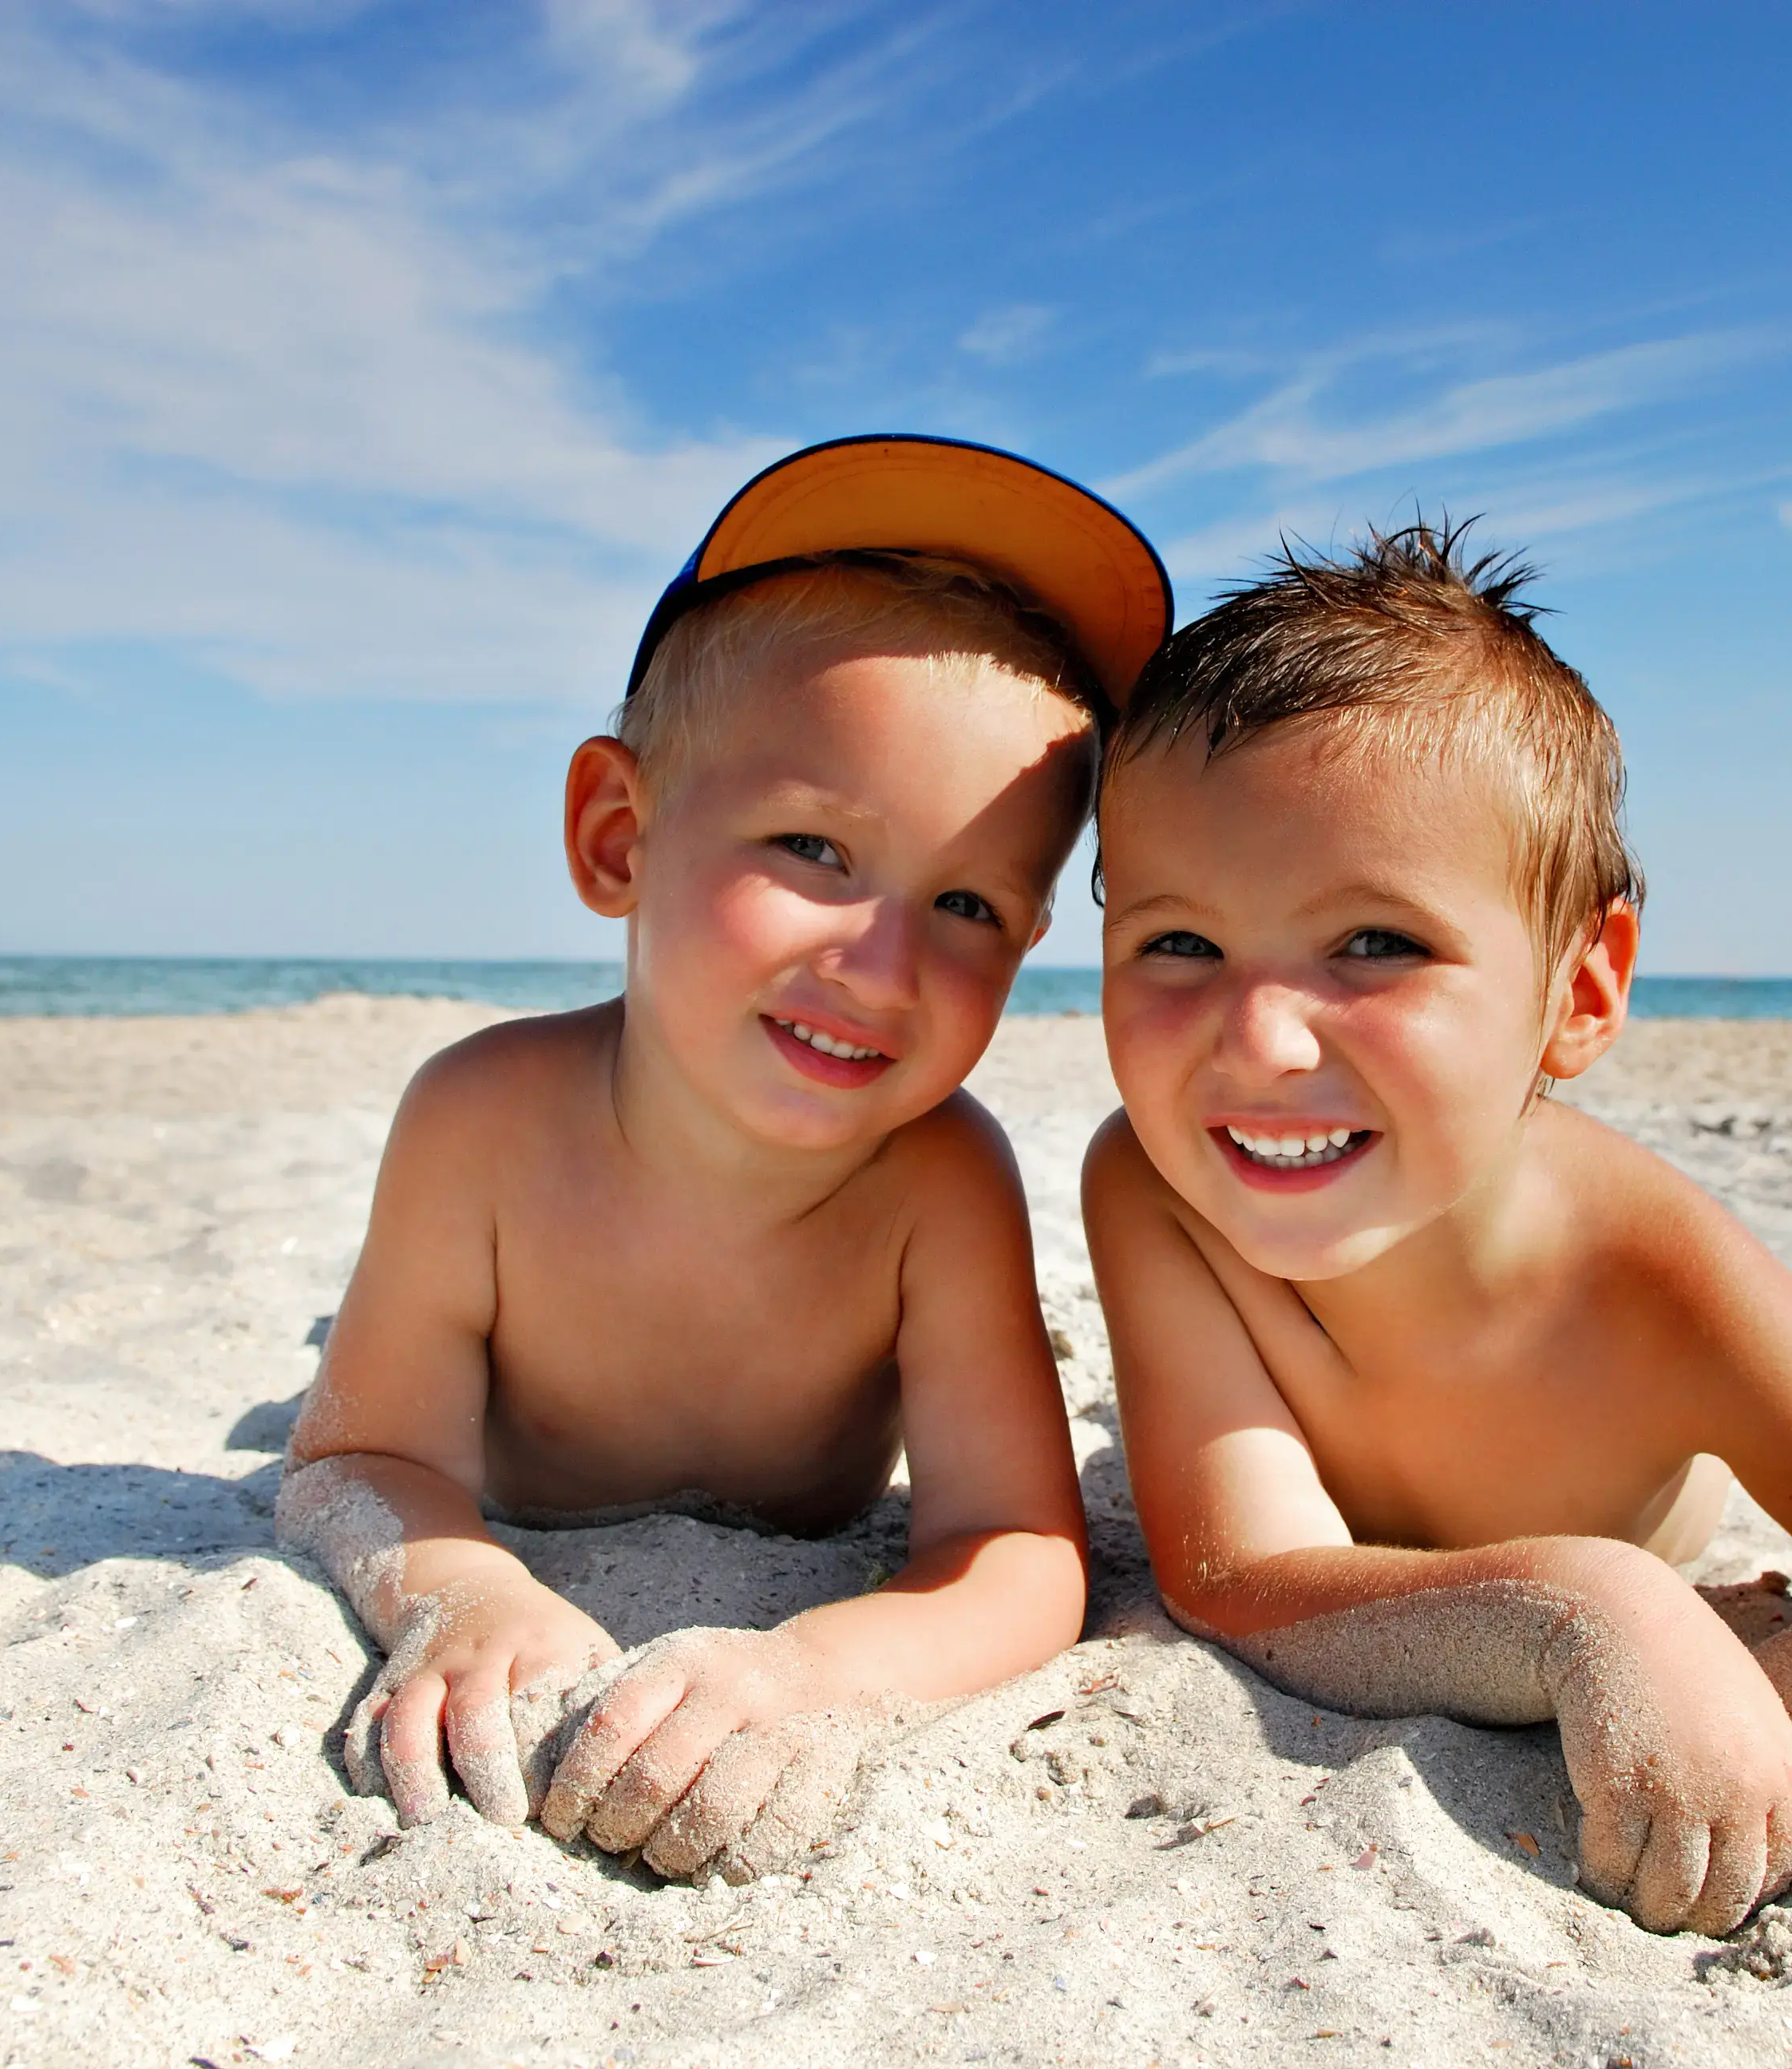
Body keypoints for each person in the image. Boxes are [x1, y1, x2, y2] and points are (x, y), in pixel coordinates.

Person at [1081, 523, 1792, 1941]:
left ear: (1582, 990)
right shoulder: (1158, 1189)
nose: (1260, 1040)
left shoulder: (1653, 1273)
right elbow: (1237, 1581)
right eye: (1178, 946)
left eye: (1377, 945)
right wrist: (1584, 1603)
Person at [281, 436, 1171, 1883]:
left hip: (795, 1543)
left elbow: (1015, 1547)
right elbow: (354, 1462)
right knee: (340, 1376)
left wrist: (819, 1665)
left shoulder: (939, 1184)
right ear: (618, 836)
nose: (883, 965)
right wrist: (461, 1589)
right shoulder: (482, 1119)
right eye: (815, 849)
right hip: (509, 1474)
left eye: (969, 904)